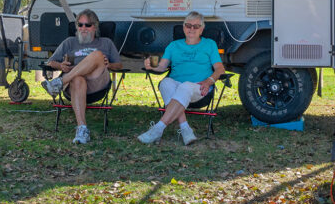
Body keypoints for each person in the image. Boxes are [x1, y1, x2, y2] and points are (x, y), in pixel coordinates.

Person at [138, 11, 225, 146]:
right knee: (165, 83)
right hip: (176, 85)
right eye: (188, 25)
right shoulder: (173, 46)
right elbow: (162, 67)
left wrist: (209, 81)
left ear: (202, 29)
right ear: (183, 27)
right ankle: (185, 129)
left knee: (185, 87)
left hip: (199, 87)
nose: (191, 29)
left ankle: (158, 129)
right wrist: (150, 66)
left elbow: (220, 69)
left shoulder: (210, 44)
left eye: (196, 26)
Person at [41, 9, 123, 144]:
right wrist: (61, 66)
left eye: (88, 25)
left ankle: (59, 82)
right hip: (75, 86)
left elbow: (119, 65)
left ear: (95, 27)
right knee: (78, 79)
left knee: (97, 55)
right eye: (80, 25)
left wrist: (109, 65)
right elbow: (50, 62)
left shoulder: (105, 42)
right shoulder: (69, 42)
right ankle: (82, 129)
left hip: (97, 83)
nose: (83, 28)